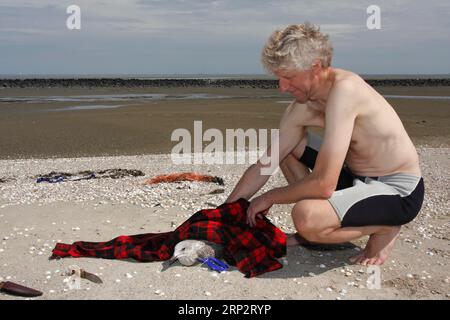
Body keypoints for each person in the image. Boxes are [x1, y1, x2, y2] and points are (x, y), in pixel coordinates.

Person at [225, 22, 424, 266]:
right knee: (285, 149)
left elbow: (323, 184)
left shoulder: (346, 91)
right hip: (355, 178)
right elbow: (265, 165)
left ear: (315, 67)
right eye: (279, 78)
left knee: (306, 217)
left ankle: (385, 227)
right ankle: (325, 223)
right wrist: (223, 214)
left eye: (288, 78)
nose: (281, 88)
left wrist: (269, 197)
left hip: (396, 191)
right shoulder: (301, 106)